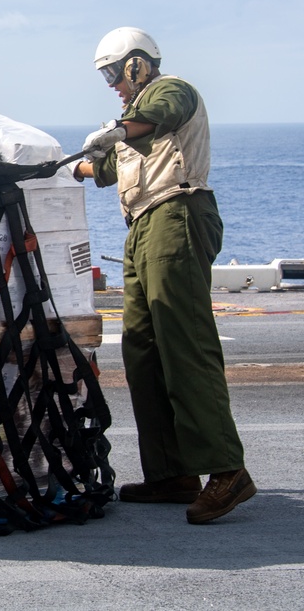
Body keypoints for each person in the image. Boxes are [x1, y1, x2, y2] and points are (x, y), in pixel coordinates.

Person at [73, 28, 254, 524]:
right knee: (143, 349)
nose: (111, 83)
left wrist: (119, 127)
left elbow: (160, 116)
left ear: (136, 64)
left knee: (183, 340)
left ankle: (226, 469)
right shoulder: (132, 120)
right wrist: (62, 170)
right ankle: (173, 472)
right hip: (142, 227)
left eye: (113, 72)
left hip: (176, 216)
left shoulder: (167, 91)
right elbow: (104, 168)